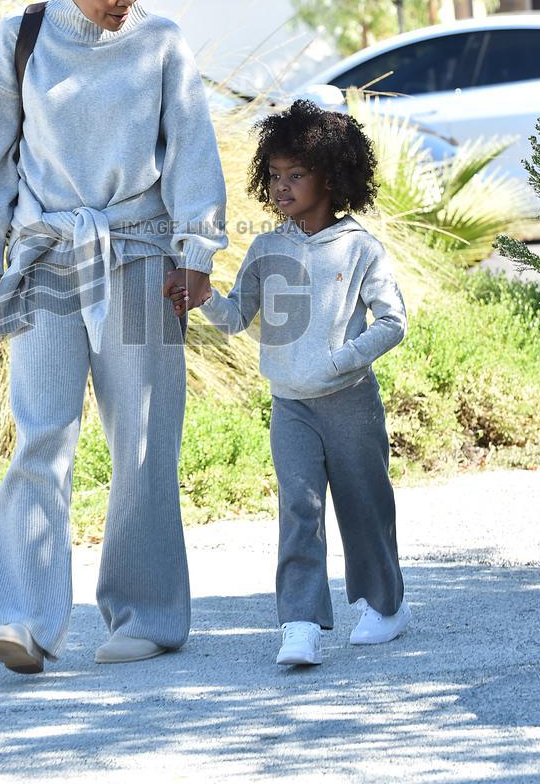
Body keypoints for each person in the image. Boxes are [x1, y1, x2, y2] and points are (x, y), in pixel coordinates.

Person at [0, 0, 226, 674]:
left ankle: (145, 614)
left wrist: (196, 249)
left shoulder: (161, 44)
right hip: (45, 259)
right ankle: (20, 618)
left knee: (142, 440)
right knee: (41, 431)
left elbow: (193, 151)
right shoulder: (24, 38)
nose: (126, 0)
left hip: (141, 255)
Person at [165, 100, 409, 666]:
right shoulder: (266, 248)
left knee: (364, 505)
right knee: (298, 509)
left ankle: (386, 606)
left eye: (296, 175)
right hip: (290, 406)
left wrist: (342, 359)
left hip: (349, 402)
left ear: (332, 175)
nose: (282, 187)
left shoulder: (360, 247)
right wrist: (202, 296)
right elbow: (234, 319)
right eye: (275, 176)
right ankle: (299, 622)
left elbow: (393, 323)